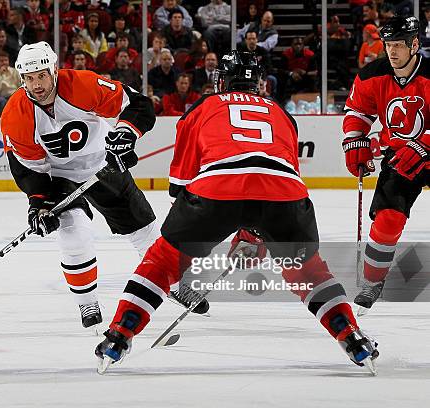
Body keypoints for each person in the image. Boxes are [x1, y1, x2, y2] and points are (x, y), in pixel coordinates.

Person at [96, 51, 379, 374]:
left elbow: (181, 185)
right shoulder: (282, 113)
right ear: (258, 82)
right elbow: (281, 176)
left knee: (162, 262)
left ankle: (119, 335)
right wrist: (255, 233)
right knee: (308, 273)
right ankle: (353, 338)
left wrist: (192, 238)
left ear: (220, 80)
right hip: (286, 195)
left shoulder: (203, 107)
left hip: (217, 188)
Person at [0, 41, 160, 329]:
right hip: (60, 177)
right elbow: (28, 168)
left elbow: (138, 103)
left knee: (144, 231)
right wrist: (38, 203)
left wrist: (126, 133)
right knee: (74, 234)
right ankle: (87, 304)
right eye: (29, 78)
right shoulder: (16, 113)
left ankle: (171, 284)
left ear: (53, 71)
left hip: (103, 165)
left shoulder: (82, 84)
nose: (36, 85)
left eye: (41, 76)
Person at [341, 15, 429, 313]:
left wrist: (424, 144)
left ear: (414, 44)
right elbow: (358, 111)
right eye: (388, 45)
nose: (391, 51)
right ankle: (372, 281)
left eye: (398, 46)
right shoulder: (371, 75)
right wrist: (355, 141)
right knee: (388, 220)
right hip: (401, 158)